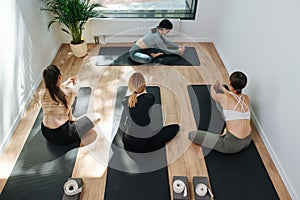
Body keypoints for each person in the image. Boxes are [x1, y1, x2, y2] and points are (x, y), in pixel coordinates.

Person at [188, 71, 252, 154]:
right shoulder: (246, 98)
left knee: (192, 135)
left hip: (233, 144)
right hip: (248, 139)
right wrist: (222, 88)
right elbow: (233, 95)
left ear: (229, 82)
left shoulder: (225, 98)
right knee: (220, 104)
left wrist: (213, 85)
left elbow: (213, 94)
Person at [39, 64, 101, 145]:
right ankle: (72, 120)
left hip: (45, 132)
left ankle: (71, 119)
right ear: (60, 78)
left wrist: (66, 82)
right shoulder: (68, 92)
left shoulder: (41, 93)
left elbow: (55, 89)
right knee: (97, 117)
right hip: (63, 136)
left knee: (63, 107)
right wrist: (74, 81)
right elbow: (74, 87)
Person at [120, 72, 179, 153]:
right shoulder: (149, 98)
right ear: (144, 84)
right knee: (175, 127)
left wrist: (133, 93)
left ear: (129, 86)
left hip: (128, 143)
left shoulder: (124, 100)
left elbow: (132, 102)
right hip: (145, 145)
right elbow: (145, 98)